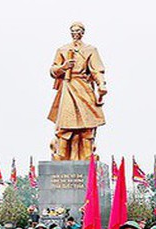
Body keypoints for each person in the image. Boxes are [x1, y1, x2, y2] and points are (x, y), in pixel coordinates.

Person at [48, 22, 107, 161]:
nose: (75, 34)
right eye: (73, 31)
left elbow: (97, 70)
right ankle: (61, 153)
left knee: (87, 124)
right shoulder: (62, 50)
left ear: (83, 32)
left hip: (84, 87)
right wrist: (63, 67)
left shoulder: (90, 50)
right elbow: (53, 70)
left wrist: (101, 85)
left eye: (78, 31)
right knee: (65, 124)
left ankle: (87, 154)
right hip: (68, 86)